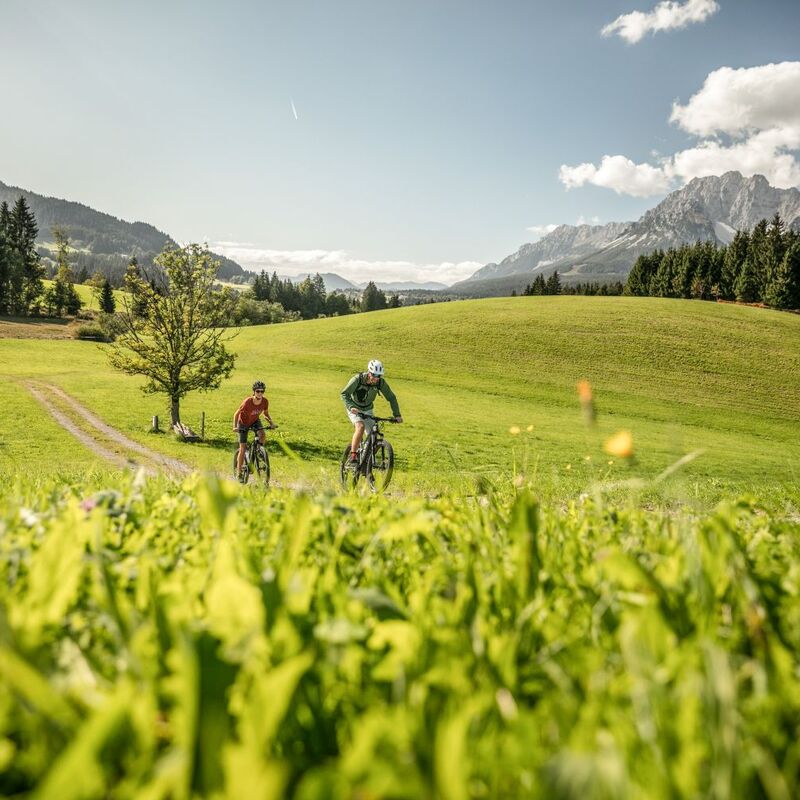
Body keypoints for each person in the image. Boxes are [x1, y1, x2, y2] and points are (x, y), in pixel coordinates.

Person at [340, 359, 402, 465]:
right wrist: (351, 407)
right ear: (369, 373)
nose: (376, 378)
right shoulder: (357, 379)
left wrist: (397, 415)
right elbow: (344, 394)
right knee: (360, 427)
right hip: (355, 409)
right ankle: (353, 455)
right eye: (374, 375)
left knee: (374, 435)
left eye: (379, 376)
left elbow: (391, 397)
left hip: (368, 410)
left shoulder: (380, 383)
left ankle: (366, 460)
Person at [233, 380, 275, 479]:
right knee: (242, 448)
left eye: (262, 391)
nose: (260, 393)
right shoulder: (247, 402)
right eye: (258, 391)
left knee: (262, 435)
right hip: (243, 423)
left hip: (255, 421)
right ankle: (239, 472)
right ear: (254, 391)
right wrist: (235, 427)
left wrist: (271, 423)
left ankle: (259, 451)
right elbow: (236, 414)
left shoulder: (265, 401)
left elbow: (265, 414)